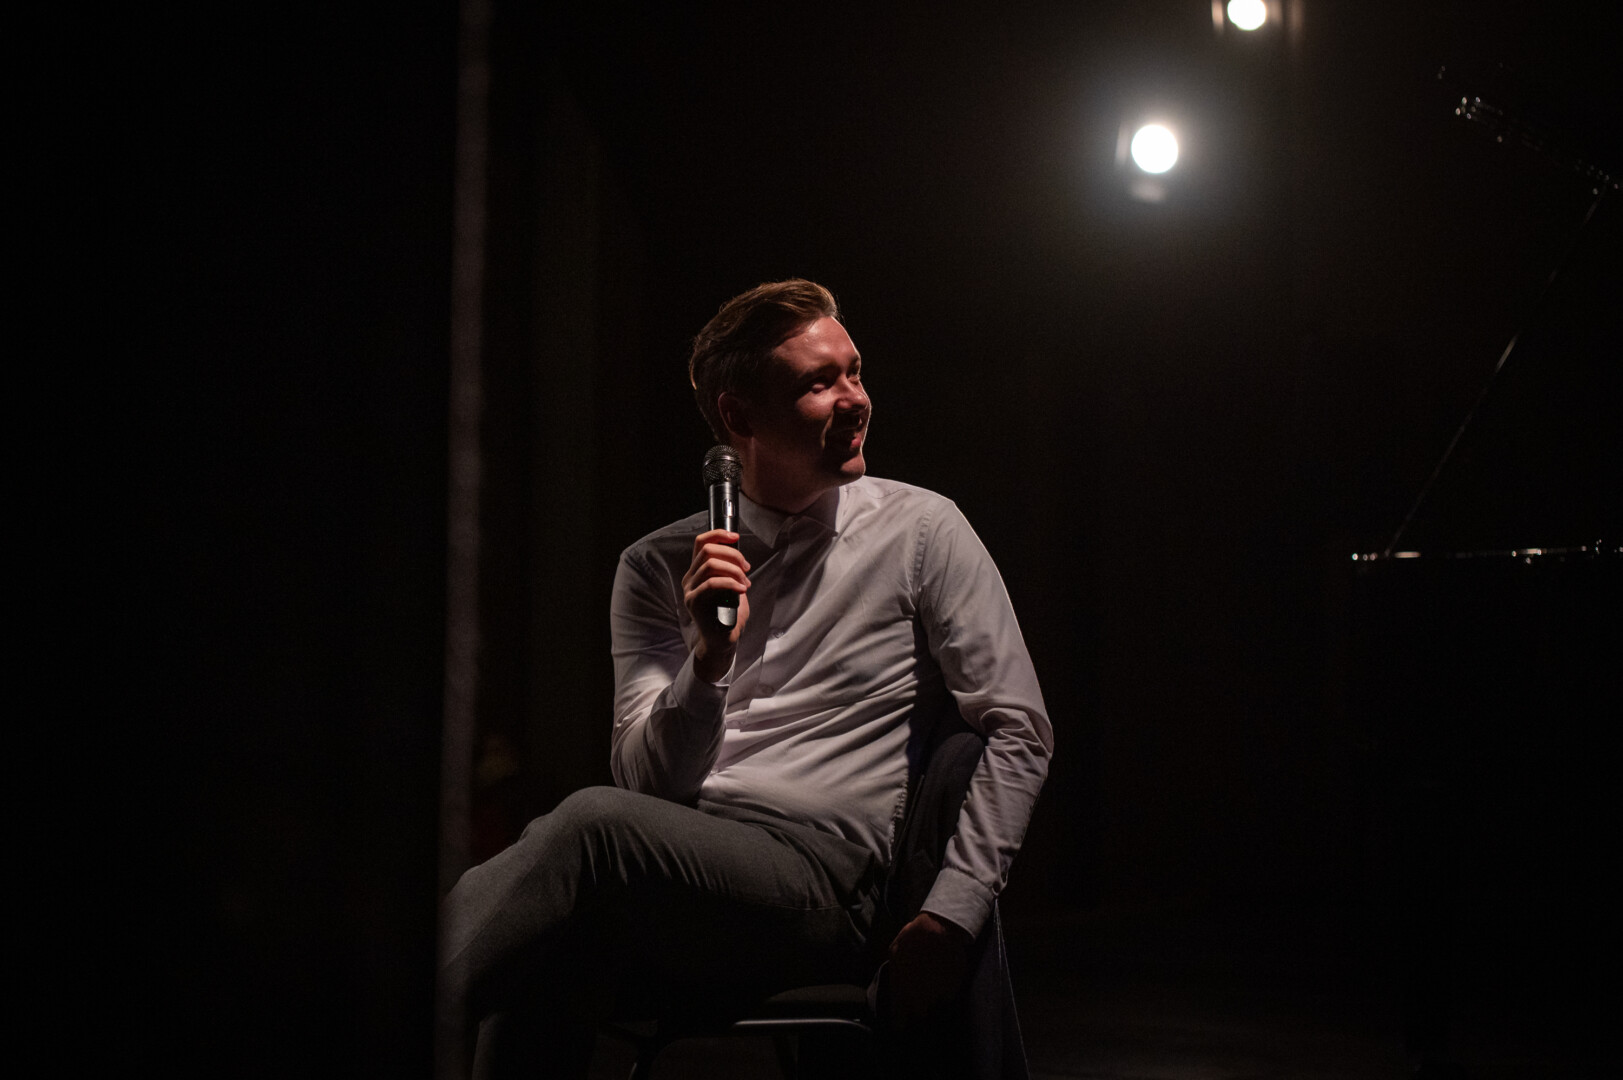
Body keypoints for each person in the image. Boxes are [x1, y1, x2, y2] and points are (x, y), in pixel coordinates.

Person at [438, 279, 1052, 1078]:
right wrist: (708, 661)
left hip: (824, 884)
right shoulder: (656, 565)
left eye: (853, 372)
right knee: (547, 948)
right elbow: (649, 784)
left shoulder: (921, 530)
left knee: (590, 827)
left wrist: (951, 915)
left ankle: (359, 1015)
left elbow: (1018, 729)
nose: (855, 399)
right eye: (818, 383)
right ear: (739, 418)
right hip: (686, 873)